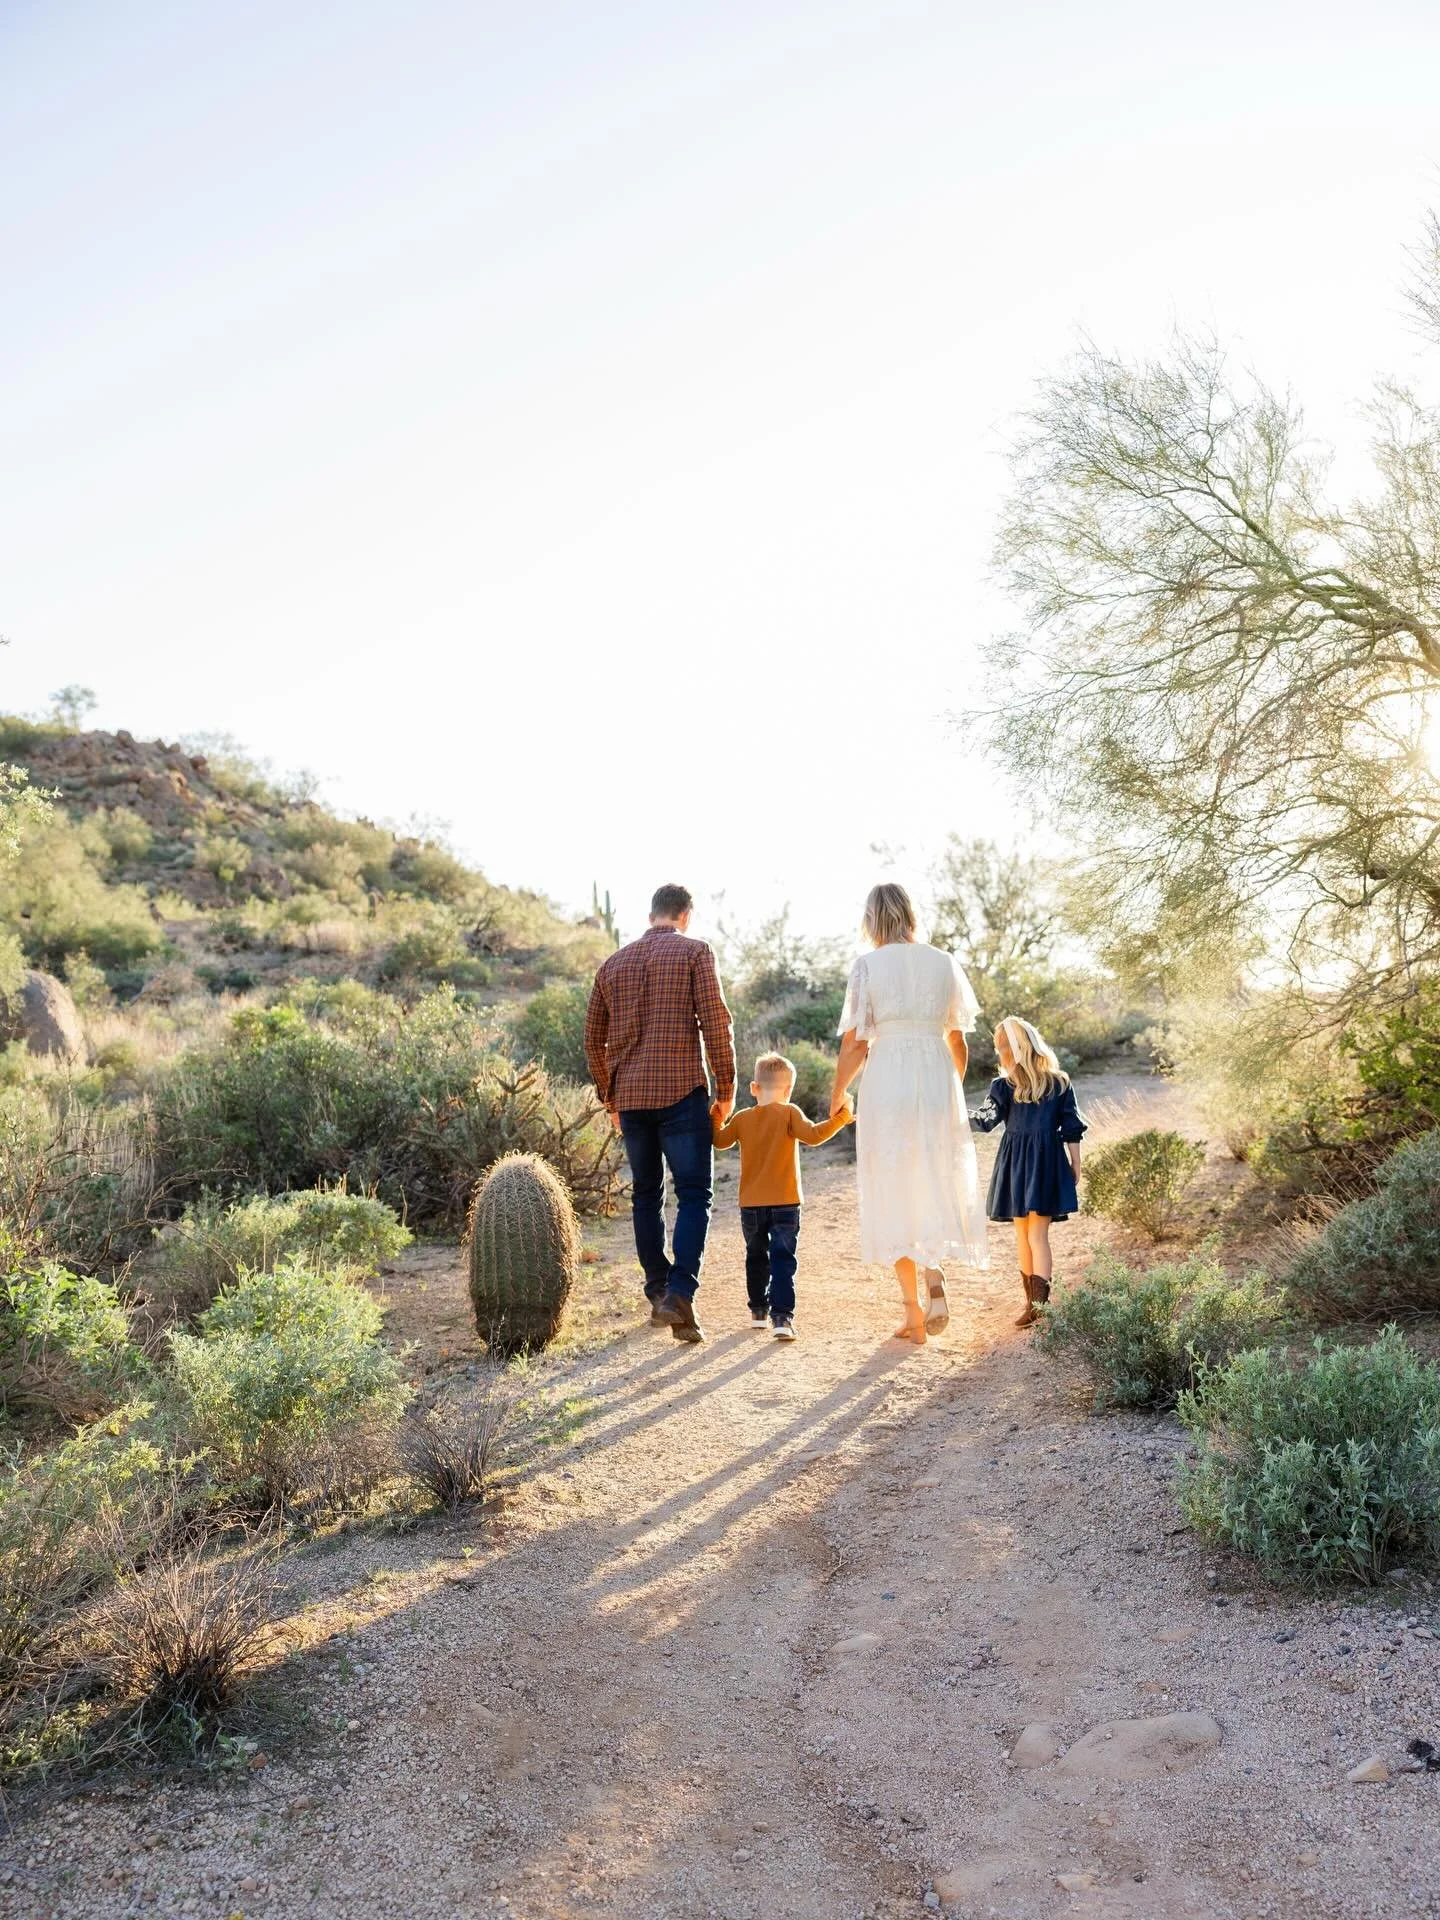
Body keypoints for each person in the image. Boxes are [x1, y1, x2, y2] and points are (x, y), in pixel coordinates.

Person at [829, 882, 989, 1344]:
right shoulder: (944, 962)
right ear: (910, 914)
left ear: (872, 919)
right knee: (932, 1178)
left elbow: (857, 1041)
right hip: (936, 1077)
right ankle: (934, 1277)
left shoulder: (868, 965)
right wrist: (947, 1091)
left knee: (895, 1186)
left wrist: (838, 1092)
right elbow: (958, 1040)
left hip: (888, 1080)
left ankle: (913, 1311)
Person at [584, 883, 735, 1344]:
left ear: (652, 914)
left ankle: (659, 1291)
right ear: (685, 915)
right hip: (680, 1093)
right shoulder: (695, 952)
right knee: (693, 1195)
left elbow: (593, 1040)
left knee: (646, 1196)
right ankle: (679, 1293)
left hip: (631, 1099)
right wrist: (725, 1088)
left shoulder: (612, 965)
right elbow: (715, 1021)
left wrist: (610, 1097)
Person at [712, 1051, 855, 1341]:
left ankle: (757, 1312)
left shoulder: (741, 1118)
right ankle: (782, 1318)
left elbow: (720, 1141)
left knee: (755, 1256)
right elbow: (814, 1135)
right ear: (789, 1090)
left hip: (751, 1205)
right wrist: (841, 1118)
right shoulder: (790, 1112)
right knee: (783, 1259)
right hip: (786, 1203)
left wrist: (716, 1115)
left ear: (754, 1088)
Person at [969, 1015, 1087, 1327]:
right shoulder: (1014, 1085)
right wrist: (1075, 1163)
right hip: (1024, 1165)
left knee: (1032, 1234)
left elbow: (1071, 1126)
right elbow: (986, 1119)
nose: (999, 1054)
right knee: (1027, 1233)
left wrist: (1076, 1164)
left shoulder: (1053, 1083)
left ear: (1016, 1048)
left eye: (1002, 1047)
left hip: (1035, 1163)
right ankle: (1034, 1305)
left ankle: (1037, 1305)